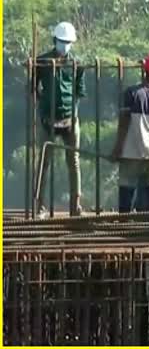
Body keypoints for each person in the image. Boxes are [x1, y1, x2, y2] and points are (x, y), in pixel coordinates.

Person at [33, 21, 85, 217]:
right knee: (44, 162)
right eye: (62, 42)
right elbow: (33, 88)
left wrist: (73, 113)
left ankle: (76, 206)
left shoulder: (76, 64)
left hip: (70, 118)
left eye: (68, 42)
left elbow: (80, 91)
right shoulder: (43, 62)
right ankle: (40, 206)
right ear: (55, 40)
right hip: (48, 118)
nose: (65, 46)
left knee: (74, 161)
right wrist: (44, 106)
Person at [111, 54, 149, 213]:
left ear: (145, 71)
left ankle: (124, 223)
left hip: (132, 151)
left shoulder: (131, 93)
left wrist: (117, 148)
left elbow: (124, 124)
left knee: (127, 187)